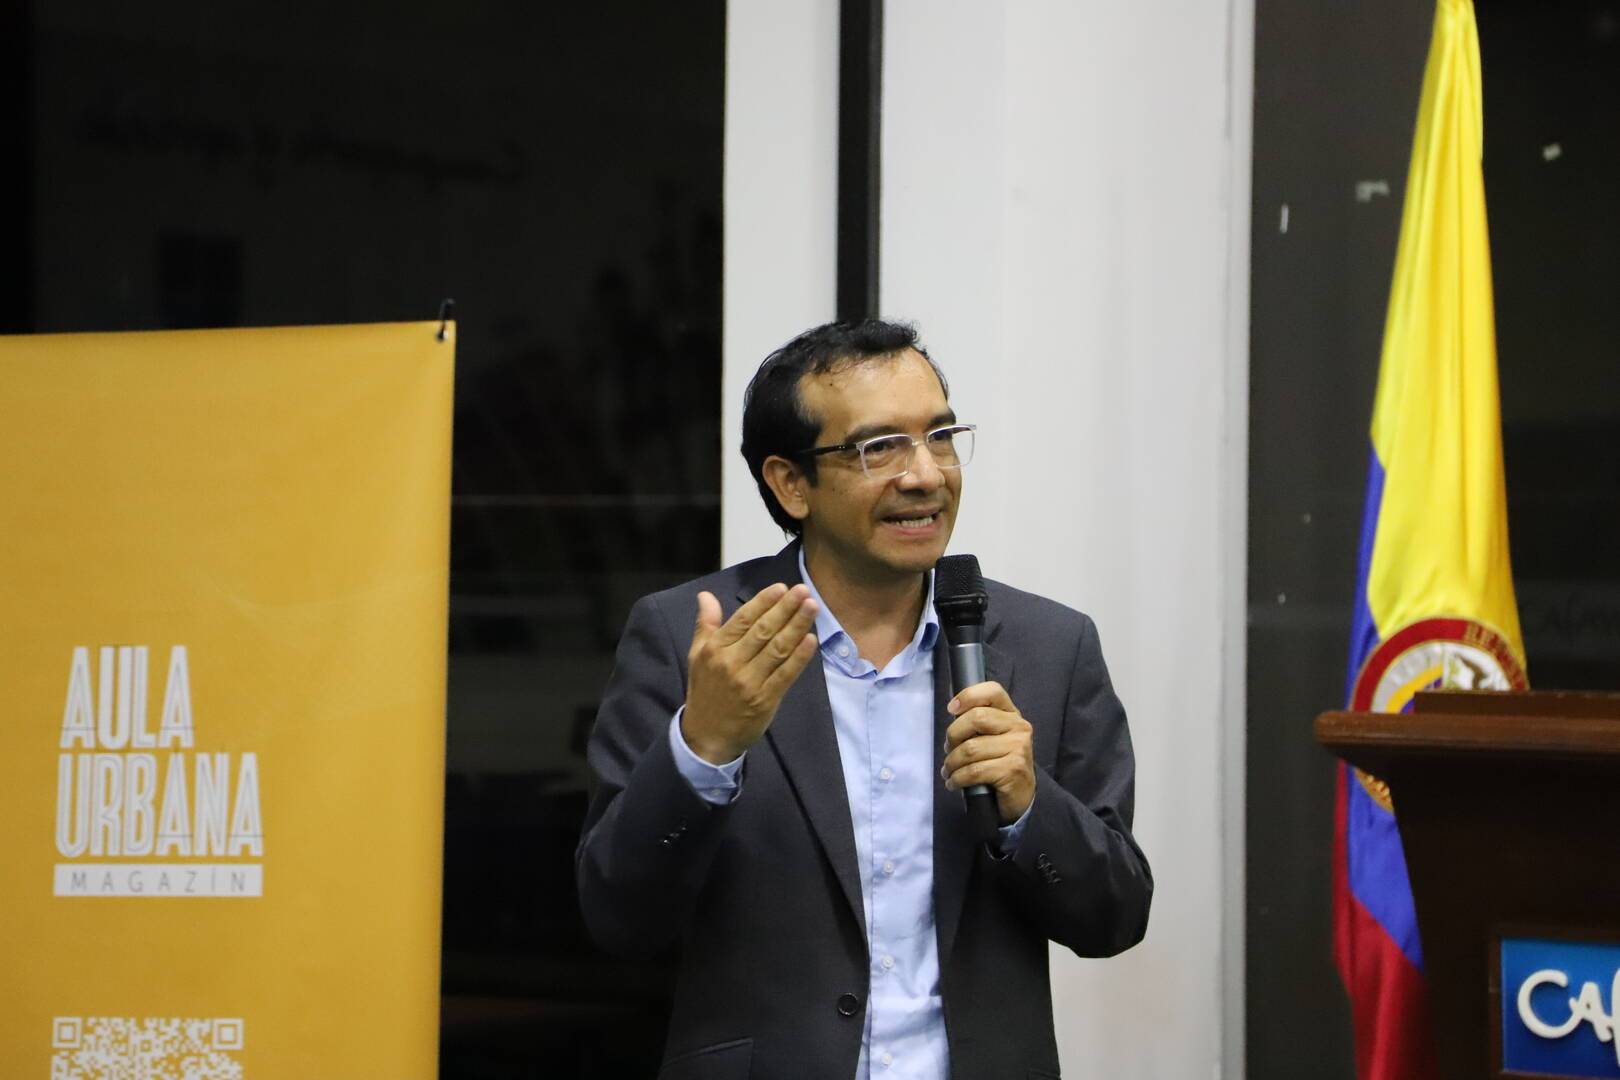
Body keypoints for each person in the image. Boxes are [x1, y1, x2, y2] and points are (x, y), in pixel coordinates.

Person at [576, 319, 1151, 1080]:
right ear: (790, 483)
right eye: (881, 448)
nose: (925, 475)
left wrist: (1027, 804)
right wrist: (702, 750)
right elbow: (618, 917)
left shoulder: (1050, 646)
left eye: (940, 437)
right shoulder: (694, 639)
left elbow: (1114, 916)